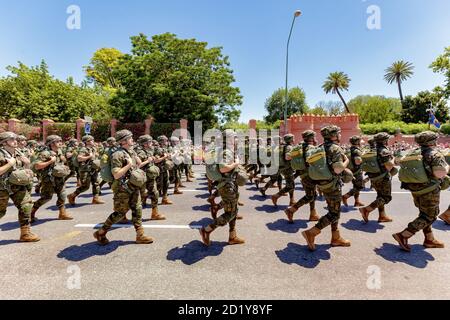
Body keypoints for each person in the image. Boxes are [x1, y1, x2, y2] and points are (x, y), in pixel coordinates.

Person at [94, 130, 154, 245]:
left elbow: (137, 166)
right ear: (124, 141)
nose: (133, 140)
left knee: (137, 209)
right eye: (130, 138)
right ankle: (101, 232)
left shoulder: (130, 152)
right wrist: (128, 165)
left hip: (133, 186)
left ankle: (140, 235)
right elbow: (116, 174)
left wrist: (139, 162)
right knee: (119, 214)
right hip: (122, 189)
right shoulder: (118, 154)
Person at [392, 131, 449, 251]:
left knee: (424, 213)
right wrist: (448, 167)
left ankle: (429, 239)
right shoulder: (434, 154)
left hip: (416, 189)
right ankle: (404, 235)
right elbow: (439, 173)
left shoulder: (412, 153)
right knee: (430, 216)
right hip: (430, 190)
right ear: (432, 141)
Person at [301, 125, 351, 251]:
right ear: (334, 135)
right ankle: (312, 232)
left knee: (334, 210)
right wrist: (347, 162)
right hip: (333, 185)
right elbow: (338, 169)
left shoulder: (319, 148)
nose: (340, 135)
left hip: (322, 184)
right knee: (334, 213)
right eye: (338, 133)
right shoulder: (335, 149)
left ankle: (336, 237)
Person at [200, 149, 245, 246]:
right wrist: (236, 163)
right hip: (227, 186)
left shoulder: (224, 150)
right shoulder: (225, 151)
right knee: (230, 213)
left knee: (234, 210)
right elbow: (223, 169)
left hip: (229, 184)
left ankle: (232, 236)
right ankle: (206, 230)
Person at [0, 132, 40, 242]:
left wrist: (27, 164)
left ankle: (25, 233)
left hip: (17, 185)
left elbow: (25, 170)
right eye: (12, 139)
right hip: (2, 188)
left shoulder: (18, 153)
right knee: (1, 212)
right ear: (4, 142)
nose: (15, 141)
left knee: (26, 206)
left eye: (15, 139)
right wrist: (9, 164)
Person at [31, 135, 73, 222]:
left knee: (62, 195)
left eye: (60, 141)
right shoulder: (46, 153)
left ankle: (62, 214)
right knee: (46, 198)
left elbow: (62, 161)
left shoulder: (59, 151)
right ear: (52, 143)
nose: (60, 143)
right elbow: (37, 166)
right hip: (49, 180)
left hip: (59, 178)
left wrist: (63, 161)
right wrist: (50, 161)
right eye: (58, 141)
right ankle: (31, 212)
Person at [284, 130, 320, 223]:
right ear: (311, 138)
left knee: (313, 194)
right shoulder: (311, 147)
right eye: (313, 137)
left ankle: (313, 213)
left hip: (303, 175)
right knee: (310, 196)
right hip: (310, 175)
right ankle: (291, 210)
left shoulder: (297, 147)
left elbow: (288, 157)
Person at [359, 133, 394, 223]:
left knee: (380, 196)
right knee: (386, 198)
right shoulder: (383, 151)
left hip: (374, 178)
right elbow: (389, 166)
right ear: (384, 141)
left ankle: (382, 216)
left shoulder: (373, 149)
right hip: (383, 178)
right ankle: (367, 209)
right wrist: (393, 160)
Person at [67, 135, 104, 205]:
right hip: (85, 170)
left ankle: (95, 199)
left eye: (93, 140)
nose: (93, 141)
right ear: (87, 142)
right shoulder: (83, 149)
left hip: (93, 169)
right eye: (91, 140)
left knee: (96, 183)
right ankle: (72, 196)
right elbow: (79, 158)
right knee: (85, 186)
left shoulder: (93, 149)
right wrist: (89, 156)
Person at [135, 135, 166, 221]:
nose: (151, 143)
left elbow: (154, 160)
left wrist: (153, 158)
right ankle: (123, 214)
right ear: (145, 144)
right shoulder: (140, 152)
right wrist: (148, 161)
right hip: (143, 177)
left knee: (154, 193)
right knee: (137, 197)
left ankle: (154, 213)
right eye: (150, 142)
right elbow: (137, 165)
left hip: (150, 177)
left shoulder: (148, 150)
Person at [342, 136, 365, 207]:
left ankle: (357, 201)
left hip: (351, 171)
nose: (361, 143)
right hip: (357, 171)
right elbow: (358, 161)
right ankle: (345, 196)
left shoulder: (349, 149)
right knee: (359, 187)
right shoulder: (357, 151)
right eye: (360, 141)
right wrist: (363, 156)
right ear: (357, 142)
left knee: (356, 186)